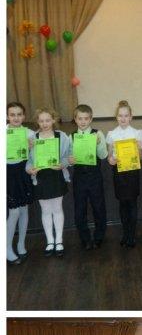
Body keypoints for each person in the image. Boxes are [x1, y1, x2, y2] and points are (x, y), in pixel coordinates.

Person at [26, 106, 71, 257]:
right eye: (41, 121)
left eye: (47, 120)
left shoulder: (61, 136)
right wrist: (30, 169)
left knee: (57, 209)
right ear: (37, 122)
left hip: (56, 177)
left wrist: (63, 164)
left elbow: (68, 156)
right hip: (40, 178)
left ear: (53, 120)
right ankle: (50, 241)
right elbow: (28, 160)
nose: (44, 124)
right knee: (45, 210)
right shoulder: (32, 139)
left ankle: (59, 241)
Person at [69, 104, 108, 250]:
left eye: (86, 118)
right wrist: (70, 160)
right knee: (80, 209)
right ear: (75, 119)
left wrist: (98, 144)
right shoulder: (71, 136)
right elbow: (69, 158)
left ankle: (99, 237)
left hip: (95, 177)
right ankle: (85, 238)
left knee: (99, 207)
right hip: (79, 178)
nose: (83, 121)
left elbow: (103, 156)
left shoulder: (98, 134)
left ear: (91, 119)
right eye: (80, 118)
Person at [106, 101, 142, 248]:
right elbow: (109, 156)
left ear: (131, 117)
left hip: (132, 172)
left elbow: (141, 157)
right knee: (122, 204)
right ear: (116, 117)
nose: (123, 118)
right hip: (119, 173)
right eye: (120, 116)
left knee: (132, 203)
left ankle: (132, 235)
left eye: (126, 116)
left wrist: (140, 149)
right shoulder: (111, 134)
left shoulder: (137, 133)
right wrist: (111, 160)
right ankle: (125, 234)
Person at [6, 101, 34, 264]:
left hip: (23, 172)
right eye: (12, 115)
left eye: (19, 114)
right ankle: (7, 248)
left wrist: (32, 147)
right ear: (7, 116)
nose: (16, 118)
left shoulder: (29, 133)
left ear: (23, 116)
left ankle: (21, 244)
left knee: (24, 209)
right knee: (14, 211)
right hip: (7, 173)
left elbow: (35, 156)